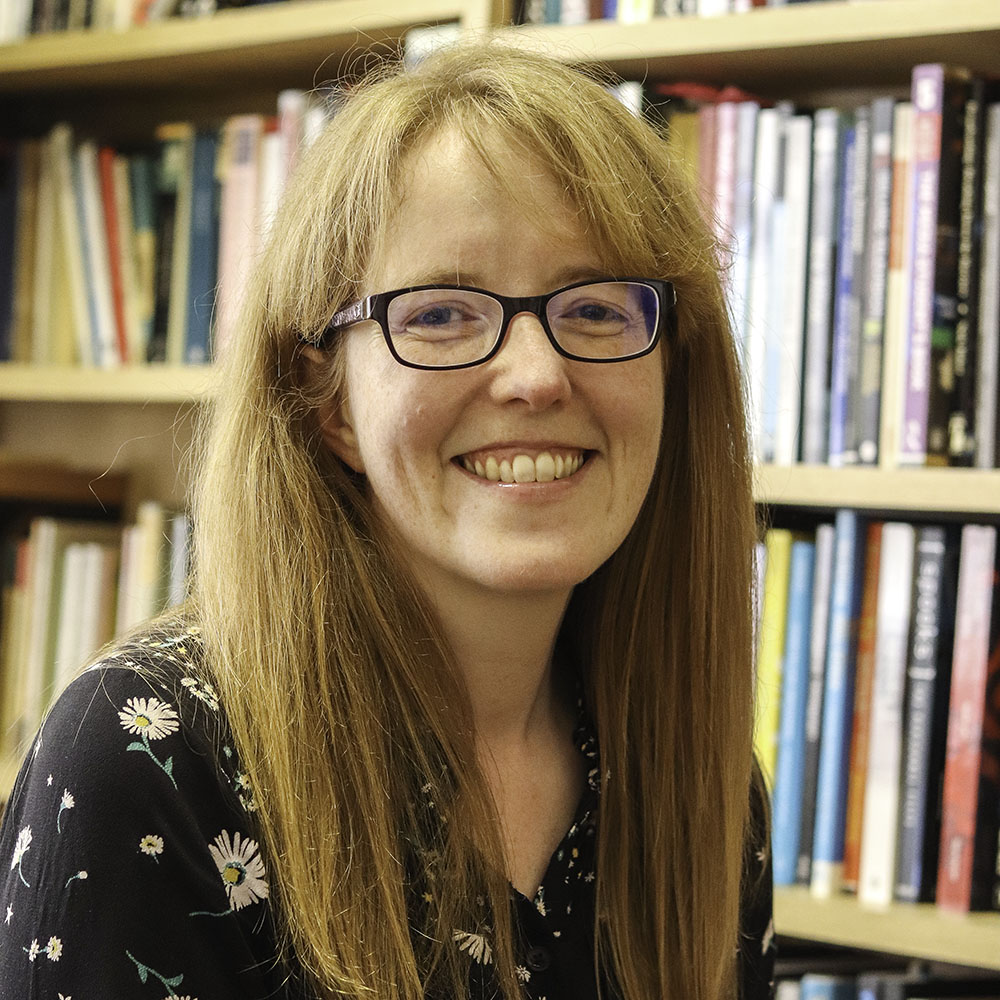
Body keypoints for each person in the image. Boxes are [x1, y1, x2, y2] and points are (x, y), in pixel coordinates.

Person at [0, 41, 773, 1000]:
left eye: (597, 309)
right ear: (328, 404)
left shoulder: (696, 780)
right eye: (442, 314)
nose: (536, 375)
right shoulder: (146, 759)